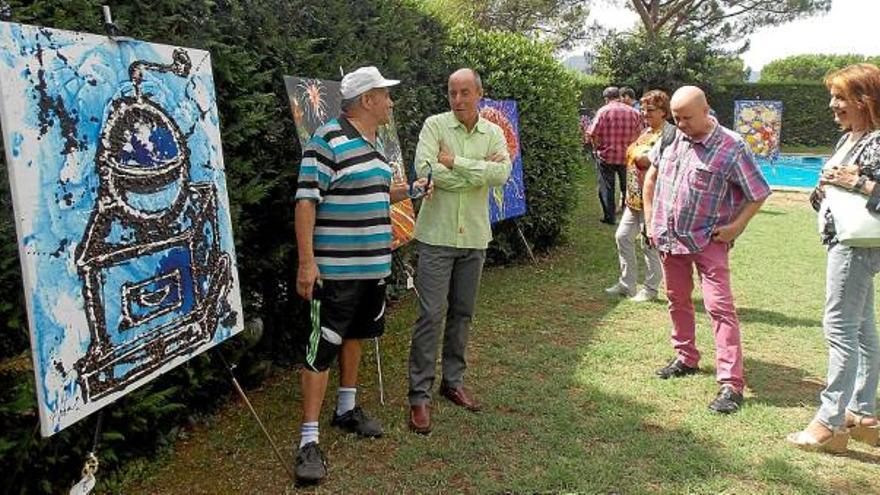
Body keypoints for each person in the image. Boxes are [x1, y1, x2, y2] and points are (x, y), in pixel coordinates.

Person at [293, 66, 430, 482]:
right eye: (385, 95)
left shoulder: (375, 146)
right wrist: (306, 262)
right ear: (367, 100)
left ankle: (346, 409)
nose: (390, 102)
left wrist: (411, 190)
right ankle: (308, 440)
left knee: (357, 336)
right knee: (323, 348)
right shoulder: (327, 139)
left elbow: (374, 192)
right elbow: (305, 202)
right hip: (335, 271)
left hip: (373, 268)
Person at [642, 86, 770, 414]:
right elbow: (651, 178)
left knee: (720, 308)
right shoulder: (670, 137)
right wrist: (650, 219)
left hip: (709, 241)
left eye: (686, 118)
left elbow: (758, 192)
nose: (680, 124)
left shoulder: (731, 147)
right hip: (670, 238)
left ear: (706, 110)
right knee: (677, 299)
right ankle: (686, 357)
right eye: (676, 117)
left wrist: (736, 227)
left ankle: (731, 383)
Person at [407, 68, 512, 434]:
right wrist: (472, 172)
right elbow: (426, 171)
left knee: (463, 313)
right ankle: (419, 395)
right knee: (430, 315)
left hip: (474, 239)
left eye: (465, 92)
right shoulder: (434, 126)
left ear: (479, 93)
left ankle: (452, 382)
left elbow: (503, 175)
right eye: (452, 92)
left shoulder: (494, 132)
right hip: (436, 237)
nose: (458, 99)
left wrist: (457, 163)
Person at [788, 63, 880, 453]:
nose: (832, 104)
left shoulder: (876, 140)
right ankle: (862, 412)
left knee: (839, 329)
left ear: (865, 100)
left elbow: (862, 188)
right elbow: (827, 194)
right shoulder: (852, 137)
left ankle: (828, 422)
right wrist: (824, 188)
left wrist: (855, 181)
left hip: (855, 244)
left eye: (841, 97)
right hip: (845, 240)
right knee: (861, 328)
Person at [605, 90, 673, 302]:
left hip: (653, 199)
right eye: (643, 109)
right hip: (634, 198)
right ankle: (627, 284)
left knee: (649, 244)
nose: (645, 114)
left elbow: (652, 163)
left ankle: (650, 290)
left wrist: (639, 158)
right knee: (622, 236)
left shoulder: (670, 135)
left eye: (650, 110)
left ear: (664, 112)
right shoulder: (646, 132)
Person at [587, 86, 643, 225]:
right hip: (627, 156)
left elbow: (592, 133)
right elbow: (640, 134)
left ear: (606, 98)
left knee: (607, 187)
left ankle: (609, 217)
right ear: (619, 96)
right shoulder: (634, 112)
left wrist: (596, 149)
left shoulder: (603, 111)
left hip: (607, 156)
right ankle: (630, 216)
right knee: (629, 187)